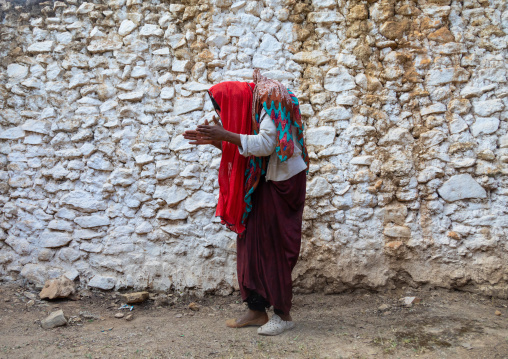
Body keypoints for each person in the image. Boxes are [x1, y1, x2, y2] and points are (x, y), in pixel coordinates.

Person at [183, 70, 309, 336]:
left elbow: (266, 144)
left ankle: (283, 315)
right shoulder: (253, 105)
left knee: (272, 246)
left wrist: (226, 134)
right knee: (250, 241)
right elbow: (248, 149)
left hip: (282, 184)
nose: (224, 114)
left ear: (234, 100)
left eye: (224, 107)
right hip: (265, 181)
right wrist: (218, 140)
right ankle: (256, 310)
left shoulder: (268, 97)